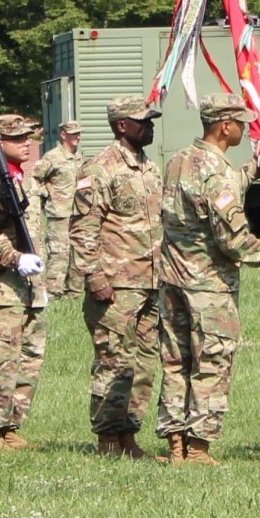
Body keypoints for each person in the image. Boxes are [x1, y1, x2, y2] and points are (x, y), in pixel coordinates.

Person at [157, 92, 260, 465]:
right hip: (209, 287)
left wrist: (254, 167)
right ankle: (199, 446)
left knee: (176, 363)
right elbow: (236, 242)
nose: (244, 128)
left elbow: (209, 200)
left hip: (173, 281)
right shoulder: (215, 172)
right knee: (211, 362)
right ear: (225, 126)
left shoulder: (178, 161)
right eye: (241, 122)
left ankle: (175, 443)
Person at [70, 95, 163, 458]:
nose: (150, 126)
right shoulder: (100, 169)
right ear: (122, 125)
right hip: (115, 283)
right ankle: (108, 436)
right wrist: (94, 276)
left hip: (150, 281)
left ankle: (129, 434)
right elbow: (83, 228)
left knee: (142, 363)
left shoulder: (148, 168)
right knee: (113, 361)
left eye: (151, 120)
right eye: (143, 121)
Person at [0, 114, 47, 449]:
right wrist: (15, 258)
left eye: (27, 138)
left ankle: (12, 426)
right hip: (4, 285)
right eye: (16, 138)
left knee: (29, 358)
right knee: (1, 360)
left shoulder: (25, 180)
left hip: (32, 286)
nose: (26, 144)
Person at [33, 120, 84, 297]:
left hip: (78, 212)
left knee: (77, 252)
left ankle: (74, 291)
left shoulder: (79, 157)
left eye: (79, 133)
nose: (77, 137)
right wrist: (48, 193)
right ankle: (54, 291)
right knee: (59, 253)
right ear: (63, 135)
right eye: (73, 133)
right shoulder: (52, 157)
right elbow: (35, 178)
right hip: (59, 213)